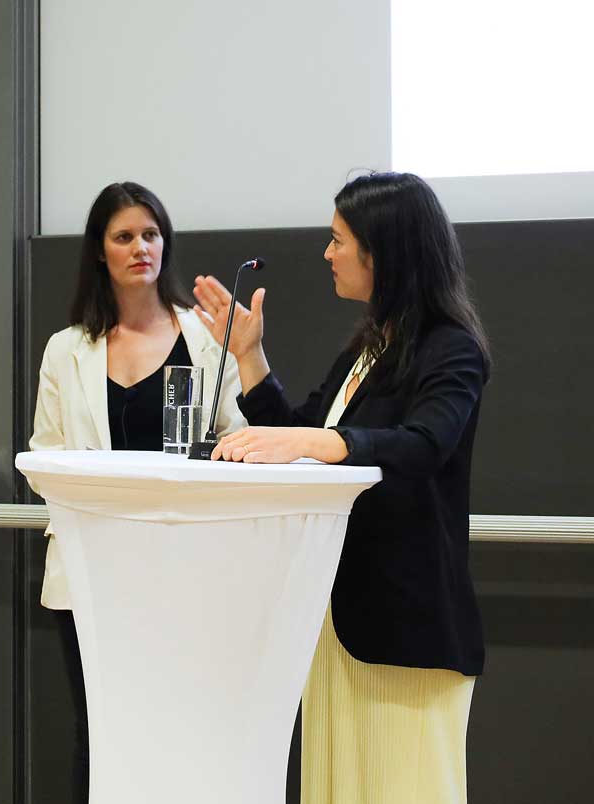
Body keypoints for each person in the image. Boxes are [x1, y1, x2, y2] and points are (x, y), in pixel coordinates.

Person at [193, 171, 489, 803]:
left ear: (383, 251)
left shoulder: (451, 348)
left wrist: (317, 445)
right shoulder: (372, 344)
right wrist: (250, 356)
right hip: (340, 620)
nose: (326, 254)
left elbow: (423, 444)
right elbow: (303, 434)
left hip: (408, 632)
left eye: (337, 240)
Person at [29, 181, 245, 802]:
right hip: (93, 567)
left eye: (150, 234)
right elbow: (45, 456)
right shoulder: (66, 350)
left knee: (181, 724)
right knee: (98, 730)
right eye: (124, 236)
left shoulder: (207, 338)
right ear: (100, 251)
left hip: (183, 566)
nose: (140, 248)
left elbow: (241, 440)